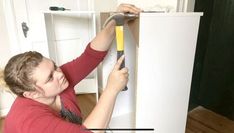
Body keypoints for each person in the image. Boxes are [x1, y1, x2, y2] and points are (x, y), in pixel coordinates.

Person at [3, 3, 141, 133]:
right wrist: (112, 89)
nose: (59, 74)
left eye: (54, 66)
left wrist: (114, 23)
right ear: (32, 94)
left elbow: (89, 57)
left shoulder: (59, 79)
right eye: (50, 78)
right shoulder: (31, 121)